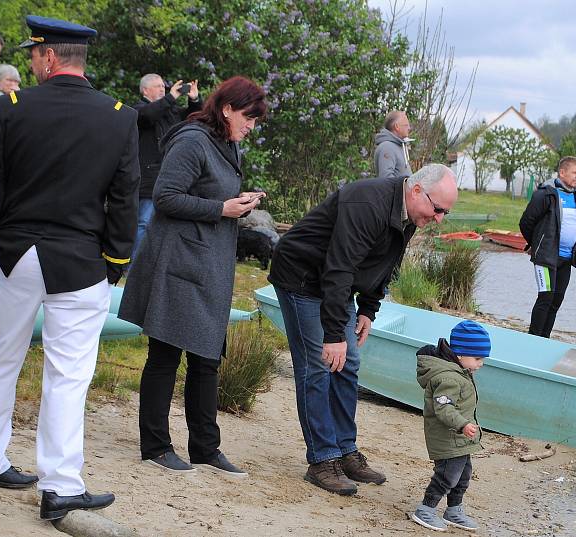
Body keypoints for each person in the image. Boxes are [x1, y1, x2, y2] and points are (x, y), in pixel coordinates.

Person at [0, 15, 139, 521]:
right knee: (68, 375)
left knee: (2, 359)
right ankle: (60, 484)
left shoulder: (11, 108)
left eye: (35, 55)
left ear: (49, 57)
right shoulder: (118, 115)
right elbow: (125, 198)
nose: (35, 64)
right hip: (81, 261)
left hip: (15, 254)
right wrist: (116, 260)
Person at [267, 163, 458, 495]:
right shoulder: (367, 203)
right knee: (318, 366)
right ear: (416, 191)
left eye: (445, 212)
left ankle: (344, 450)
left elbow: (385, 262)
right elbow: (339, 266)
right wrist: (332, 335)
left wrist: (369, 308)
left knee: (349, 363)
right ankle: (322, 460)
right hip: (302, 276)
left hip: (334, 283)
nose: (439, 218)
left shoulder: (411, 214)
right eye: (437, 209)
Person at [118, 76, 267, 477]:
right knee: (165, 354)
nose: (251, 126)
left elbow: (209, 195)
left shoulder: (227, 144)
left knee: (206, 358)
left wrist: (238, 204)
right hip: (179, 261)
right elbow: (166, 197)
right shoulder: (192, 140)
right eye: (249, 118)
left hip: (209, 263)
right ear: (227, 109)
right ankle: (155, 446)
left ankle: (205, 448)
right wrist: (221, 208)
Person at [412, 320, 490, 532]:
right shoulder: (448, 377)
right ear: (460, 354)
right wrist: (463, 424)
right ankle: (426, 509)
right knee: (447, 476)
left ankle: (454, 510)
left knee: (463, 476)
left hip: (461, 439)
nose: (481, 364)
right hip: (448, 438)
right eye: (478, 359)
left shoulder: (461, 372)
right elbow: (443, 408)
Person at [131, 74, 202, 260]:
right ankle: (135, 265)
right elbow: (148, 116)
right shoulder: (137, 109)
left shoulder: (170, 112)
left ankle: (156, 262)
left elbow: (195, 119)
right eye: (158, 86)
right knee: (144, 222)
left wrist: (194, 99)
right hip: (148, 179)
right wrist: (171, 97)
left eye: (164, 86)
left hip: (171, 178)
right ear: (145, 90)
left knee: (167, 224)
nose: (163, 89)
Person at [519, 156, 576, 338]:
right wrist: (535, 244)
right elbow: (526, 222)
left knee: (556, 300)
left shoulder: (575, 197)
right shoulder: (546, 194)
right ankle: (533, 339)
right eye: (574, 172)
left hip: (566, 259)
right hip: (547, 258)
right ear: (562, 172)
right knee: (546, 298)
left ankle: (544, 340)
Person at [373, 110, 412, 178]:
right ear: (397, 127)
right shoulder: (387, 147)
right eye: (406, 125)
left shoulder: (398, 145)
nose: (409, 128)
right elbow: (386, 180)